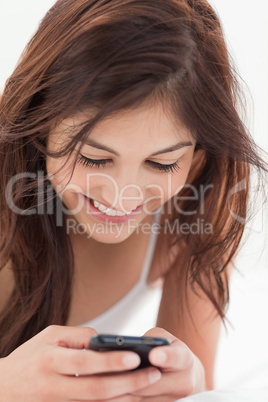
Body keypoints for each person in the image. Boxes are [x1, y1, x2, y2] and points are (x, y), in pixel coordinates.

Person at [0, 0, 267, 400]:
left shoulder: (197, 205)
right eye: (93, 157)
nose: (122, 194)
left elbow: (191, 391)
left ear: (195, 159)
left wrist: (190, 383)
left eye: (161, 164)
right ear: (40, 130)